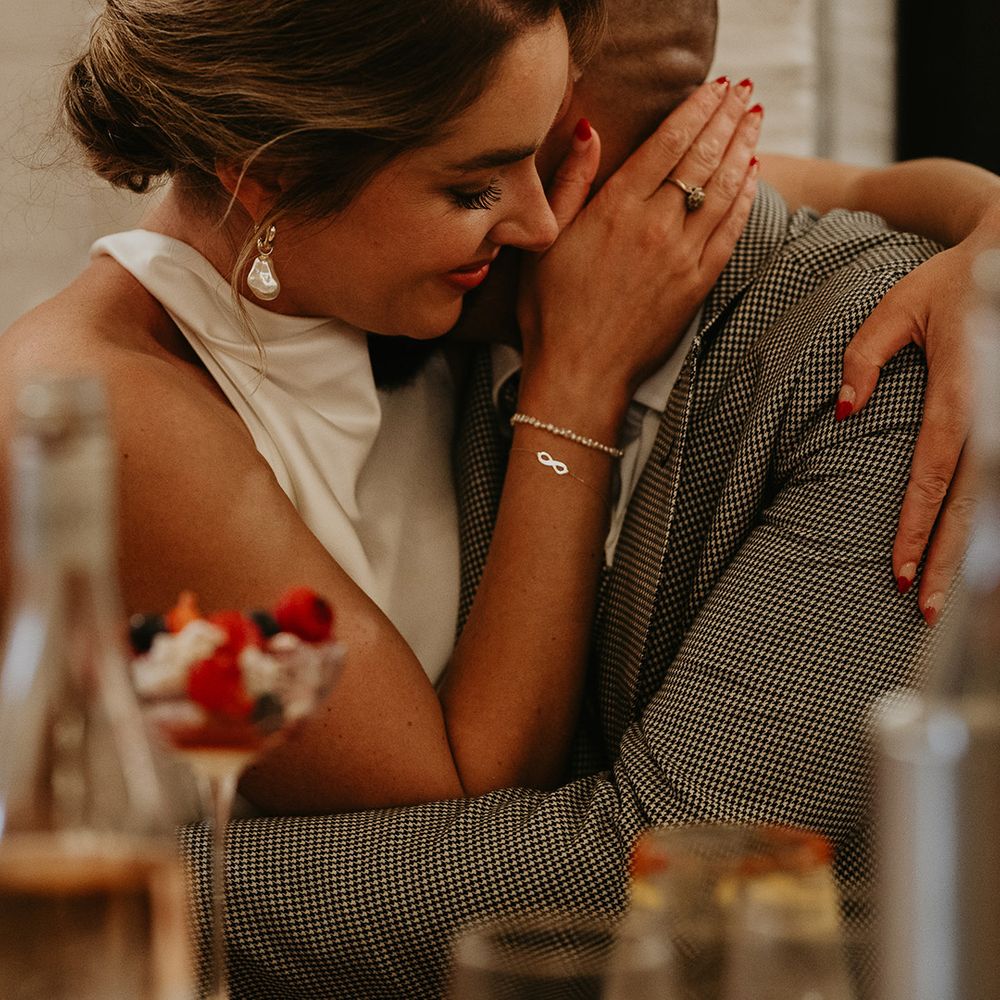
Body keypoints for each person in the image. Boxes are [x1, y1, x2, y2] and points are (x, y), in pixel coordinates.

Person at [0, 0, 995, 990]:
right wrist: (574, 391)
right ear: (272, 177)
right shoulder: (127, 403)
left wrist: (989, 229)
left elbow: (849, 185)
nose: (542, 215)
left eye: (563, 164)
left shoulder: (409, 265)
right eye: (479, 182)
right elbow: (460, 794)